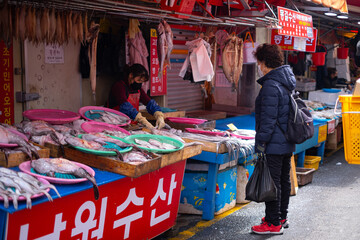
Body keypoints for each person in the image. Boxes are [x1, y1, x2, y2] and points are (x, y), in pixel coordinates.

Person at [252, 44, 296, 235]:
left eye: (259, 62)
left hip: (274, 143)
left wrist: (261, 142)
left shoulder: (271, 84)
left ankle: (272, 223)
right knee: (283, 181)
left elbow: (268, 120)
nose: (258, 66)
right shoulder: (285, 80)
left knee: (273, 182)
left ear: (264, 62)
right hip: (286, 140)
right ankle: (281, 216)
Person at [107, 64, 165, 129]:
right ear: (131, 75)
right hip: (115, 122)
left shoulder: (137, 89)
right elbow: (124, 106)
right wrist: (140, 118)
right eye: (138, 80)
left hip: (130, 123)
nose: (140, 83)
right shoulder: (119, 86)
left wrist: (158, 113)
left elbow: (148, 101)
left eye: (142, 82)